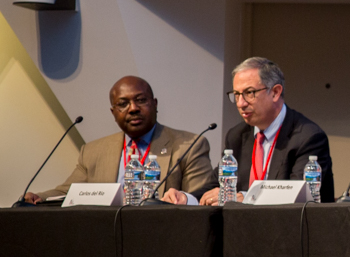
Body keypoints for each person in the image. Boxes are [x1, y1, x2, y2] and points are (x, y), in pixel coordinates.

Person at [25, 75, 215, 203]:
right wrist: (38, 197)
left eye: (141, 100)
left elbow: (198, 197)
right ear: (113, 112)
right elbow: (68, 192)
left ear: (155, 104)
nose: (133, 109)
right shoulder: (93, 151)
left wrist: (183, 199)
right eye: (123, 104)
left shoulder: (189, 146)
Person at [195, 57, 334, 205]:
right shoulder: (236, 135)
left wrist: (246, 199)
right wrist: (186, 198)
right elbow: (216, 185)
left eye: (249, 93)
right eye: (236, 94)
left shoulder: (308, 137)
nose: (241, 103)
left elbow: (297, 196)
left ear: (275, 92)